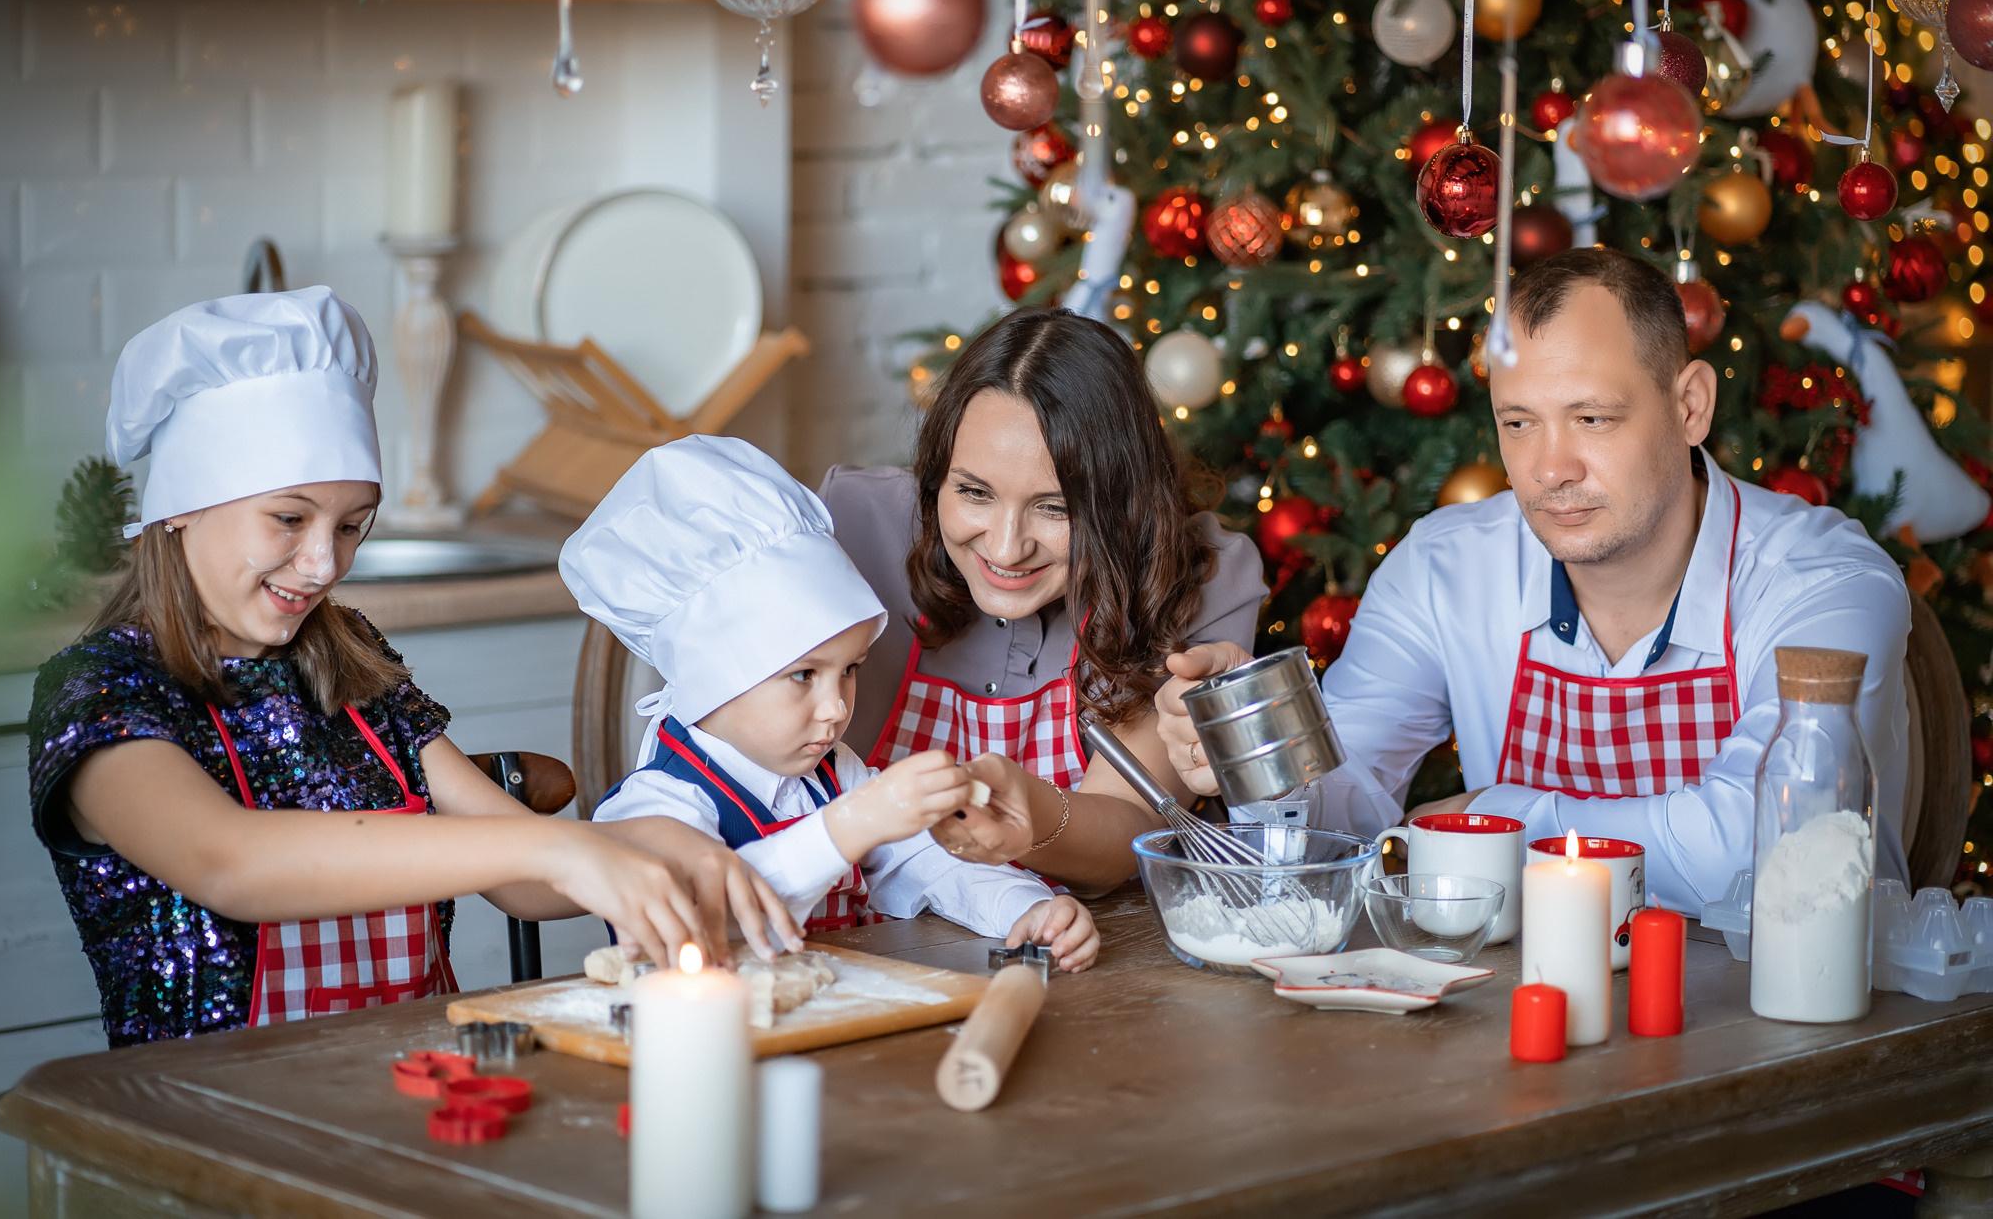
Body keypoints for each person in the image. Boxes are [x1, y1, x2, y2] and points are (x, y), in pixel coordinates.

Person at [27, 289, 799, 1047]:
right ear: (182, 506)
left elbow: (518, 878)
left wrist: (652, 839)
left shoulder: (351, 667)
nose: (324, 561)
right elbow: (230, 862)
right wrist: (557, 847)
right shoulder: (102, 692)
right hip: (214, 1127)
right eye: (289, 519)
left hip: (417, 1095)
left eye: (353, 525)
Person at [1158, 248, 1912, 912]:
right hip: (1530, 1023)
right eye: (1519, 423)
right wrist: (1258, 747)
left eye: (1592, 419)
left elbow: (1767, 850)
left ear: (1690, 406)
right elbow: (1341, 810)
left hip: (1802, 1038)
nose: (1551, 470)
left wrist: (1500, 818)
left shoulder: (1826, 585)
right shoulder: (1446, 569)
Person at [563, 436, 1099, 971]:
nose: (835, 709)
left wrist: (1028, 909)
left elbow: (924, 860)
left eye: (850, 670)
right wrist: (853, 824)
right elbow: (711, 916)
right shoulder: (656, 804)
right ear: (713, 675)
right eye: (802, 675)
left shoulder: (832, 772)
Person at [818, 307, 1267, 896]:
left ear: (1123, 504)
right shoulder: (847, 523)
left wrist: (1029, 811)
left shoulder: (1197, 573)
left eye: (1056, 508)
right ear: (937, 474)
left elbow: (1130, 831)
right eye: (974, 493)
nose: (1006, 547)